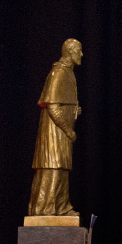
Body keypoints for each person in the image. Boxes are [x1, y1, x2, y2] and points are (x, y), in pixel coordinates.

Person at [28, 38, 83, 216]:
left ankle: (61, 207)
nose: (81, 54)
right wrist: (68, 131)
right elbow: (52, 106)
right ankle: (45, 210)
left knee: (61, 169)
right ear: (69, 52)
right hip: (55, 132)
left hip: (62, 130)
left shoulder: (69, 73)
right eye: (79, 50)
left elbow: (62, 103)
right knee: (53, 167)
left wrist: (73, 110)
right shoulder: (59, 72)